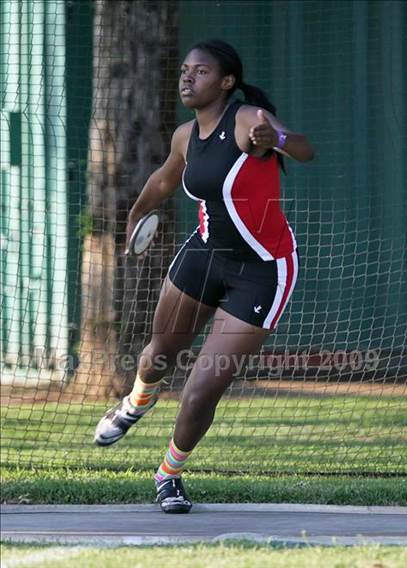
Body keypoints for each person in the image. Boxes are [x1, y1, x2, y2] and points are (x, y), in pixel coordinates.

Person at [94, 39, 314, 514]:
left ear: (227, 81)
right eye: (185, 70)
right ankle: (136, 402)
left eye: (202, 71)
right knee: (157, 356)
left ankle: (168, 476)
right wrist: (136, 213)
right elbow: (165, 179)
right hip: (202, 257)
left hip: (261, 270)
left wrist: (273, 140)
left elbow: (303, 149)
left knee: (203, 385)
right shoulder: (184, 135)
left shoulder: (248, 119)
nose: (188, 77)